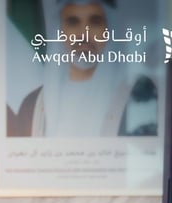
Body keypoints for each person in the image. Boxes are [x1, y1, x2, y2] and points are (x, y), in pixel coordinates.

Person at [9, 0, 157, 137]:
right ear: (60, 31)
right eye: (73, 22)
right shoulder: (33, 105)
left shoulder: (139, 95)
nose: (84, 34)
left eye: (95, 21)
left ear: (110, 29)